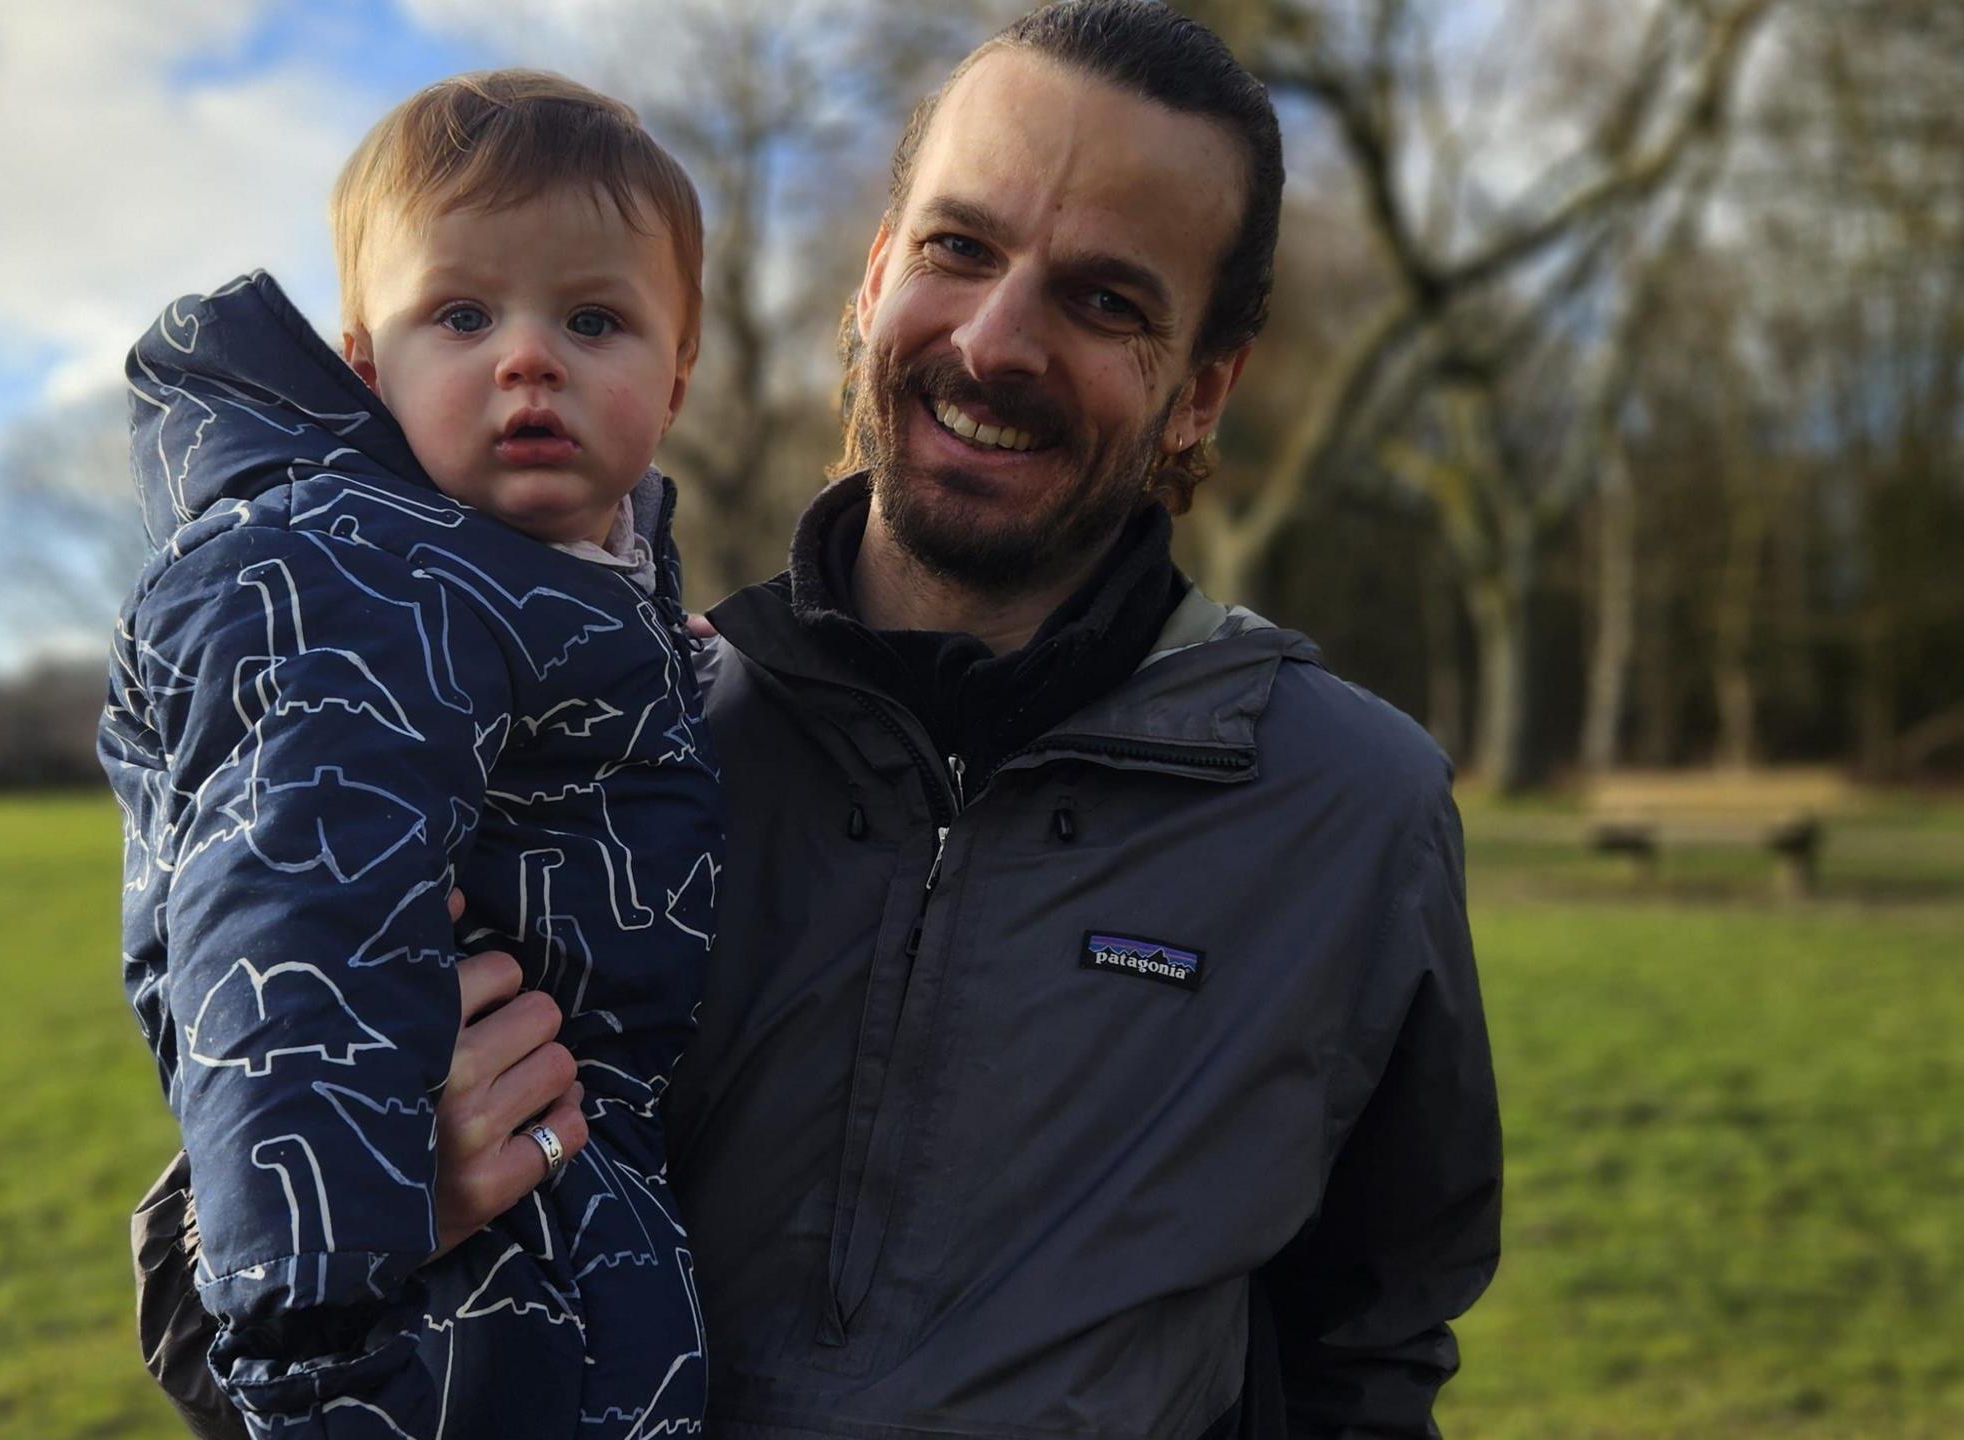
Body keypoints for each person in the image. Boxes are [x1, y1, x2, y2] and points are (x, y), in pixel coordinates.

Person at [650, 3, 1504, 1436]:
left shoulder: (1354, 817)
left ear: (1201, 392)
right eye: (958, 248)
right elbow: (244, 1276)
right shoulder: (622, 737)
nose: (994, 344)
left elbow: (1373, 1346)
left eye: (1106, 301)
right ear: (873, 278)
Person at [100, 70, 721, 1438]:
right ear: (368, 363)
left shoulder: (579, 594)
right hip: (407, 1309)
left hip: (564, 1233)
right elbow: (287, 949)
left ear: (676, 375)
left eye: (595, 317)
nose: (528, 356)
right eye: (462, 313)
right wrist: (311, 1347)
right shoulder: (350, 589)